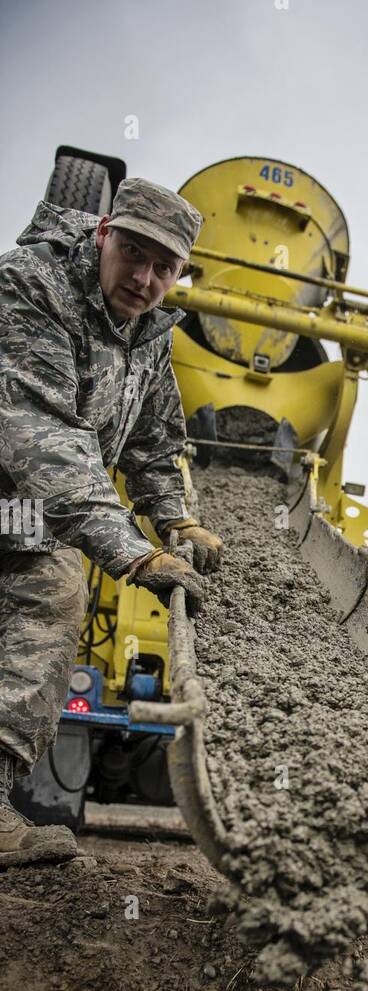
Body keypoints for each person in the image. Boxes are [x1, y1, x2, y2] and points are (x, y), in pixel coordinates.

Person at [0, 176, 223, 866]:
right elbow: (42, 434)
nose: (145, 277)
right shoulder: (29, 286)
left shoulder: (148, 334)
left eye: (165, 267)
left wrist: (176, 522)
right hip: (30, 486)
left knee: (53, 606)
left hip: (35, 522)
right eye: (133, 253)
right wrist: (133, 555)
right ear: (103, 234)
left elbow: (155, 442)